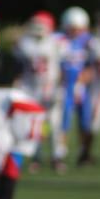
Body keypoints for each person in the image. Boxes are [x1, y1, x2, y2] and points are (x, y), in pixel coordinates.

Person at [13, 11, 64, 172]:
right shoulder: (30, 43)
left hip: (48, 88)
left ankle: (55, 157)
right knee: (36, 125)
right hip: (34, 89)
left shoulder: (53, 43)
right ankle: (39, 157)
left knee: (53, 125)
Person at [57, 6, 97, 167]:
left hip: (82, 87)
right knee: (63, 121)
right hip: (64, 86)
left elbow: (94, 65)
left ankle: (84, 153)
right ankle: (60, 152)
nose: (75, 31)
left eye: (78, 28)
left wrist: (86, 75)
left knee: (86, 121)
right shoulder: (59, 40)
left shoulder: (89, 41)